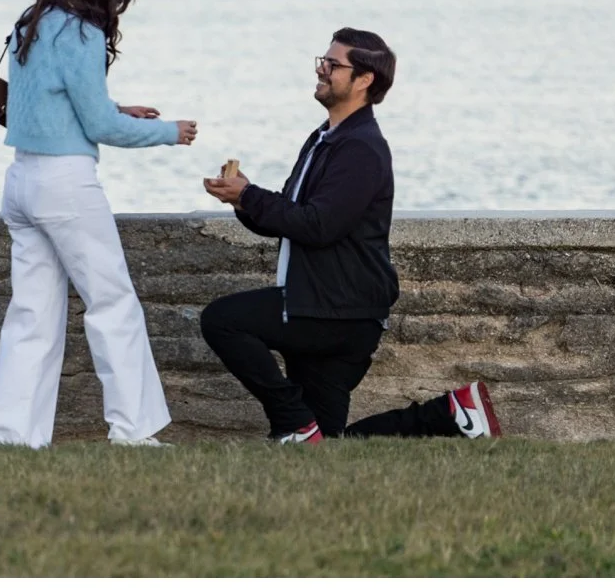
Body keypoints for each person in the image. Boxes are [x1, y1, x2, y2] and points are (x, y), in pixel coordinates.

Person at [200, 27, 501, 444]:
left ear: (364, 80)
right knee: (327, 442)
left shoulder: (361, 148)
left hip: (338, 310)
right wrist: (243, 202)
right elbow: (292, 216)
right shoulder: (324, 139)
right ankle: (452, 412)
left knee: (222, 320)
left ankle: (292, 421)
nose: (321, 70)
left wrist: (250, 196)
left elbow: (319, 226)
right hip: (327, 304)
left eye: (333, 64)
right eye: (322, 61)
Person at [0, 0, 199, 449]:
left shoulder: (31, 23)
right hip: (65, 185)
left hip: (21, 181)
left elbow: (49, 103)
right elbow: (99, 127)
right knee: (112, 303)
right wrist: (168, 132)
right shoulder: (84, 33)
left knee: (32, 314)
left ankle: (7, 434)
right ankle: (132, 430)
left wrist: (119, 108)